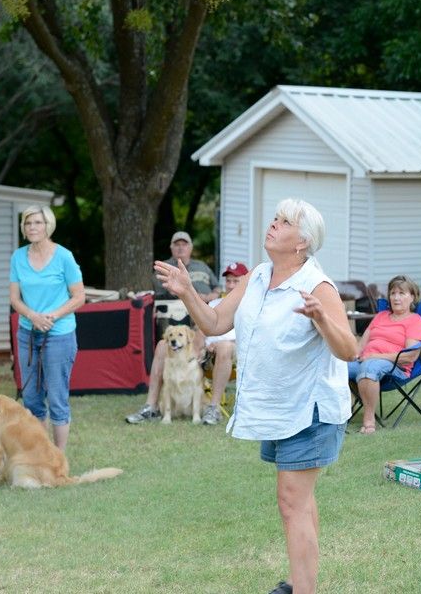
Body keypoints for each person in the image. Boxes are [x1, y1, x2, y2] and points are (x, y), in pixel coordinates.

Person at [154, 198, 356, 594]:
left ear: (302, 242)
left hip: (311, 408)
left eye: (284, 222)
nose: (273, 224)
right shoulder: (258, 276)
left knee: (291, 500)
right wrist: (187, 292)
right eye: (275, 218)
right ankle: (300, 581)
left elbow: (349, 350)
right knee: (299, 500)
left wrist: (322, 319)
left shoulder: (318, 286)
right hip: (279, 406)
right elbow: (215, 322)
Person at [9, 205, 85, 452]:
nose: (32, 227)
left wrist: (52, 316)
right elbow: (14, 299)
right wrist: (32, 316)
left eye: (38, 223)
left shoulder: (64, 257)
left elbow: (79, 297)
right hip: (27, 333)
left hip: (59, 333)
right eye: (28, 223)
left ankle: (58, 457)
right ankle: (41, 454)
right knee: (31, 398)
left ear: (48, 226)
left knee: (56, 397)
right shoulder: (18, 257)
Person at [126, 231, 221, 424]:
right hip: (174, 321)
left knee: (200, 340)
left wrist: (210, 296)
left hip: (203, 321)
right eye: (176, 244)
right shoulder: (164, 267)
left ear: (190, 247)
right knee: (162, 346)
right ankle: (151, 406)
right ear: (171, 248)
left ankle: (209, 408)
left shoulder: (202, 267)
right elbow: (159, 294)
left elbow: (217, 289)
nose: (180, 247)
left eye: (184, 244)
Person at [347, 275, 421, 434]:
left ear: (412, 297)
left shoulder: (415, 321)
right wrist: (348, 356)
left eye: (401, 293)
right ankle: (336, 415)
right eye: (393, 293)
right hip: (365, 359)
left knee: (369, 367)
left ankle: (369, 420)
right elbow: (361, 345)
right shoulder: (380, 316)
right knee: (335, 367)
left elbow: (409, 356)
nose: (396, 298)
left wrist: (374, 357)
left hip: (396, 367)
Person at [199, 261, 249, 425]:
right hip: (207, 353)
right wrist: (205, 344)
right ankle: (155, 406)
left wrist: (220, 344)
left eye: (236, 281)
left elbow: (253, 335)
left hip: (237, 354)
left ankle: (213, 408)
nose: (231, 285)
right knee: (164, 346)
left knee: (224, 347)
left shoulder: (251, 305)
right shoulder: (214, 304)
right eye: (228, 281)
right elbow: (202, 331)